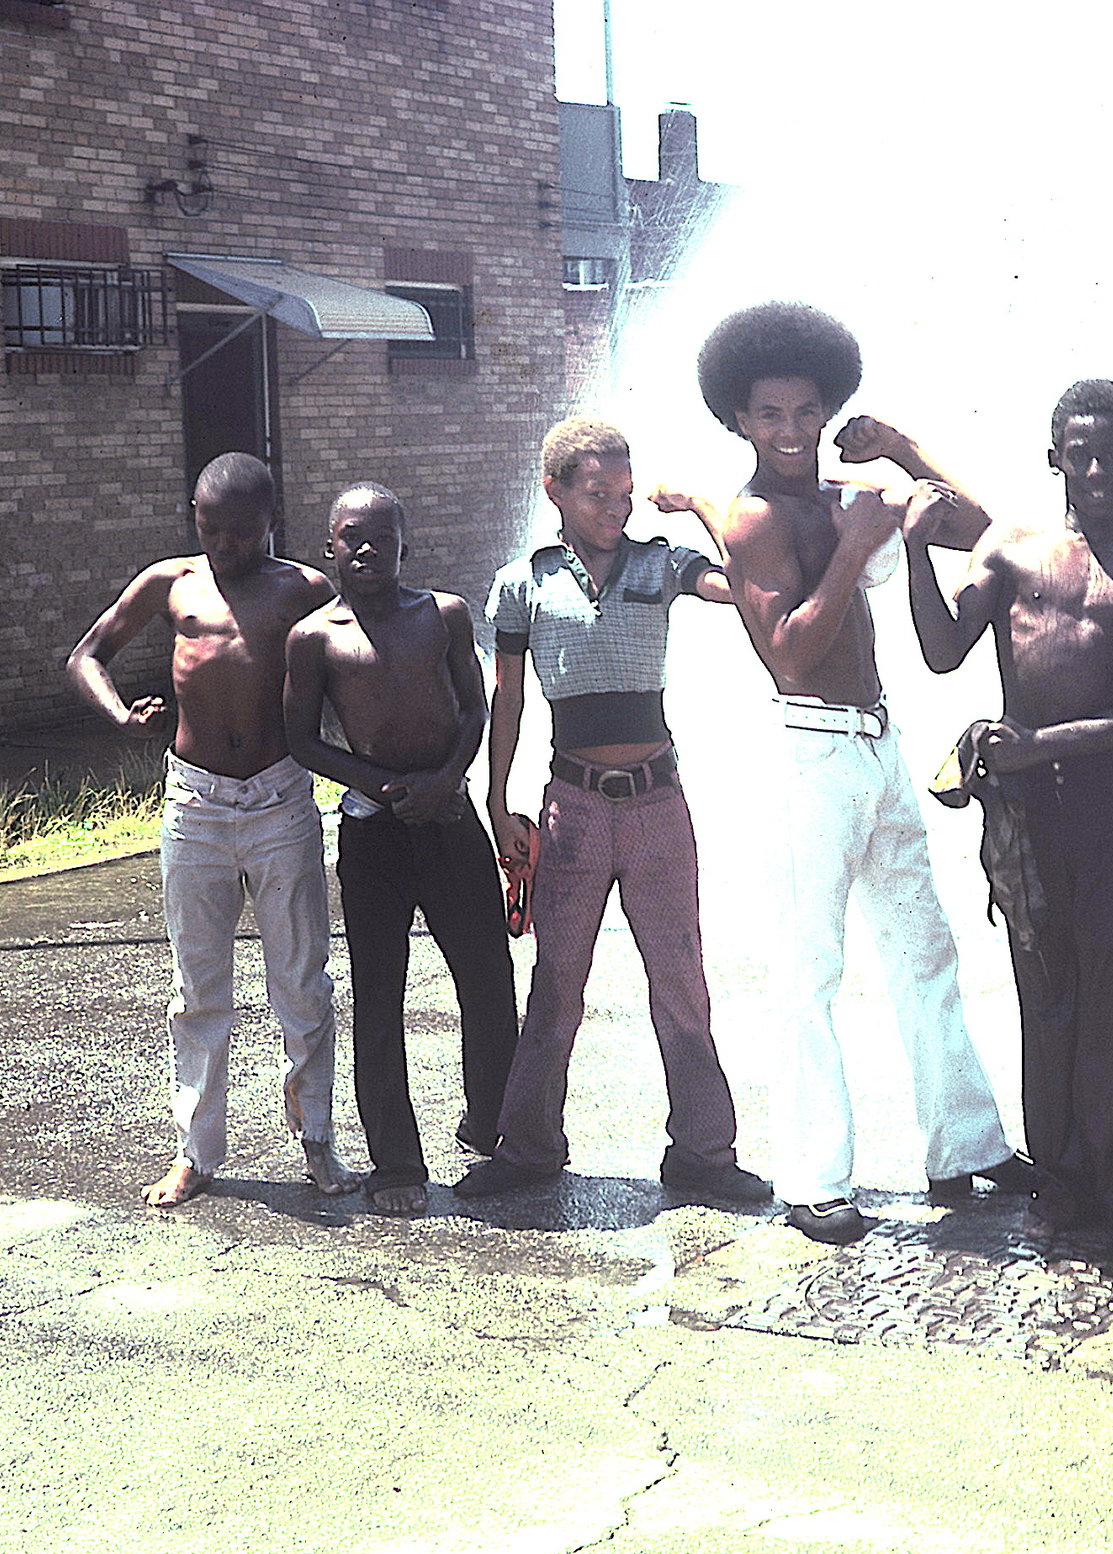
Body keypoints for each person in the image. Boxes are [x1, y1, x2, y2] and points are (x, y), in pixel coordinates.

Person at [701, 301, 1028, 1245]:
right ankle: (815, 1180)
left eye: (808, 411)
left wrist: (907, 451)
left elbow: (983, 529)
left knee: (926, 951)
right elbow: (792, 654)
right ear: (737, 418)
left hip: (879, 746)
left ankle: (967, 1152)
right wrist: (851, 547)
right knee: (810, 971)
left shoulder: (847, 491)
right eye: (769, 414)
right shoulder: (757, 519)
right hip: (809, 748)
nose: (793, 430)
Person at [904, 378, 1113, 1251]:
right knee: (1048, 999)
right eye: (1080, 453)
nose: (1097, 469)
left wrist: (1044, 742)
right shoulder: (1010, 552)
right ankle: (1062, 1189)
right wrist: (917, 552)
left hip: (1107, 809)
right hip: (1024, 818)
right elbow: (942, 650)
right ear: (1055, 458)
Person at [458, 419, 767, 1209]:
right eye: (597, 495)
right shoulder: (521, 583)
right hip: (573, 810)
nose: (615, 511)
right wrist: (499, 802)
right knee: (558, 984)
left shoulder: (662, 564)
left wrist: (702, 508)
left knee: (682, 983)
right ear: (555, 491)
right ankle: (528, 1147)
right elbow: (509, 698)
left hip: (659, 807)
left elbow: (746, 588)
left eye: (625, 496)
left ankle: (703, 1151)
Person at [64, 451, 359, 1208]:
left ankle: (319, 1144)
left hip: (279, 800)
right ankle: (195, 1152)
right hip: (195, 805)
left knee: (300, 982)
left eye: (239, 531)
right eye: (209, 529)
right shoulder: (171, 582)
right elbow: (87, 655)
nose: (224, 545)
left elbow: (365, 666)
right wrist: (122, 715)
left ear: (271, 522)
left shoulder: (305, 589)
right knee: (197, 988)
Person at [283, 483, 518, 1216]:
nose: (366, 549)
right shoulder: (316, 637)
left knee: (486, 977)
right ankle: (395, 1161)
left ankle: (495, 1127)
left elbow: (474, 705)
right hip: (373, 833)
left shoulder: (443, 616)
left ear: (404, 545)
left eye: (382, 537)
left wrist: (447, 779)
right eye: (352, 536)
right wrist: (386, 789)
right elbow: (300, 739)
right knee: (378, 994)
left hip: (449, 821)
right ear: (330, 547)